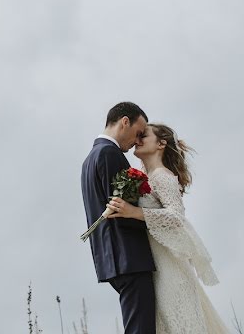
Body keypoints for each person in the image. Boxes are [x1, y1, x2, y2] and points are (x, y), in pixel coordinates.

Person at [106, 123, 230, 334]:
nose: (137, 139)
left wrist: (134, 212)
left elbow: (176, 217)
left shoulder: (162, 176)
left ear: (161, 144)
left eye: (143, 135)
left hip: (171, 269)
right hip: (155, 266)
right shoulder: (145, 177)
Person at [81, 102, 156, 334]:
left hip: (113, 260)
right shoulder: (108, 154)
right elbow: (123, 211)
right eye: (138, 133)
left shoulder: (90, 159)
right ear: (125, 121)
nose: (137, 140)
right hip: (129, 257)